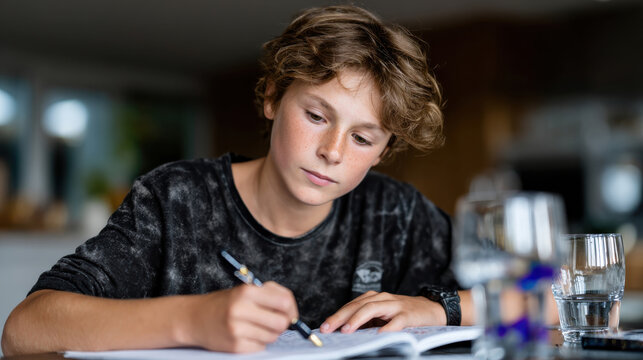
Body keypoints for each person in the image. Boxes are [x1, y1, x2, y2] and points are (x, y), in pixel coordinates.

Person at [1, 5, 473, 356]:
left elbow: (542, 293)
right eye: (315, 115)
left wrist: (442, 308)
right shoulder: (178, 199)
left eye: (363, 138)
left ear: (384, 152)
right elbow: (24, 330)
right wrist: (193, 318)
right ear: (272, 97)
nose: (332, 151)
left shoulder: (395, 213)